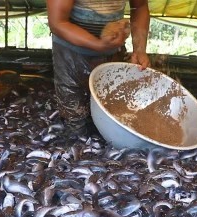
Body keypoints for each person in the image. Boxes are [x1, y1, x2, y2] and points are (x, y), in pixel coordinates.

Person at [47, 0, 151, 137]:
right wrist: (98, 45)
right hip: (71, 54)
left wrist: (139, 49)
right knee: (74, 115)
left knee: (111, 109)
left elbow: (140, 6)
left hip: (112, 51)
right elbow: (58, 23)